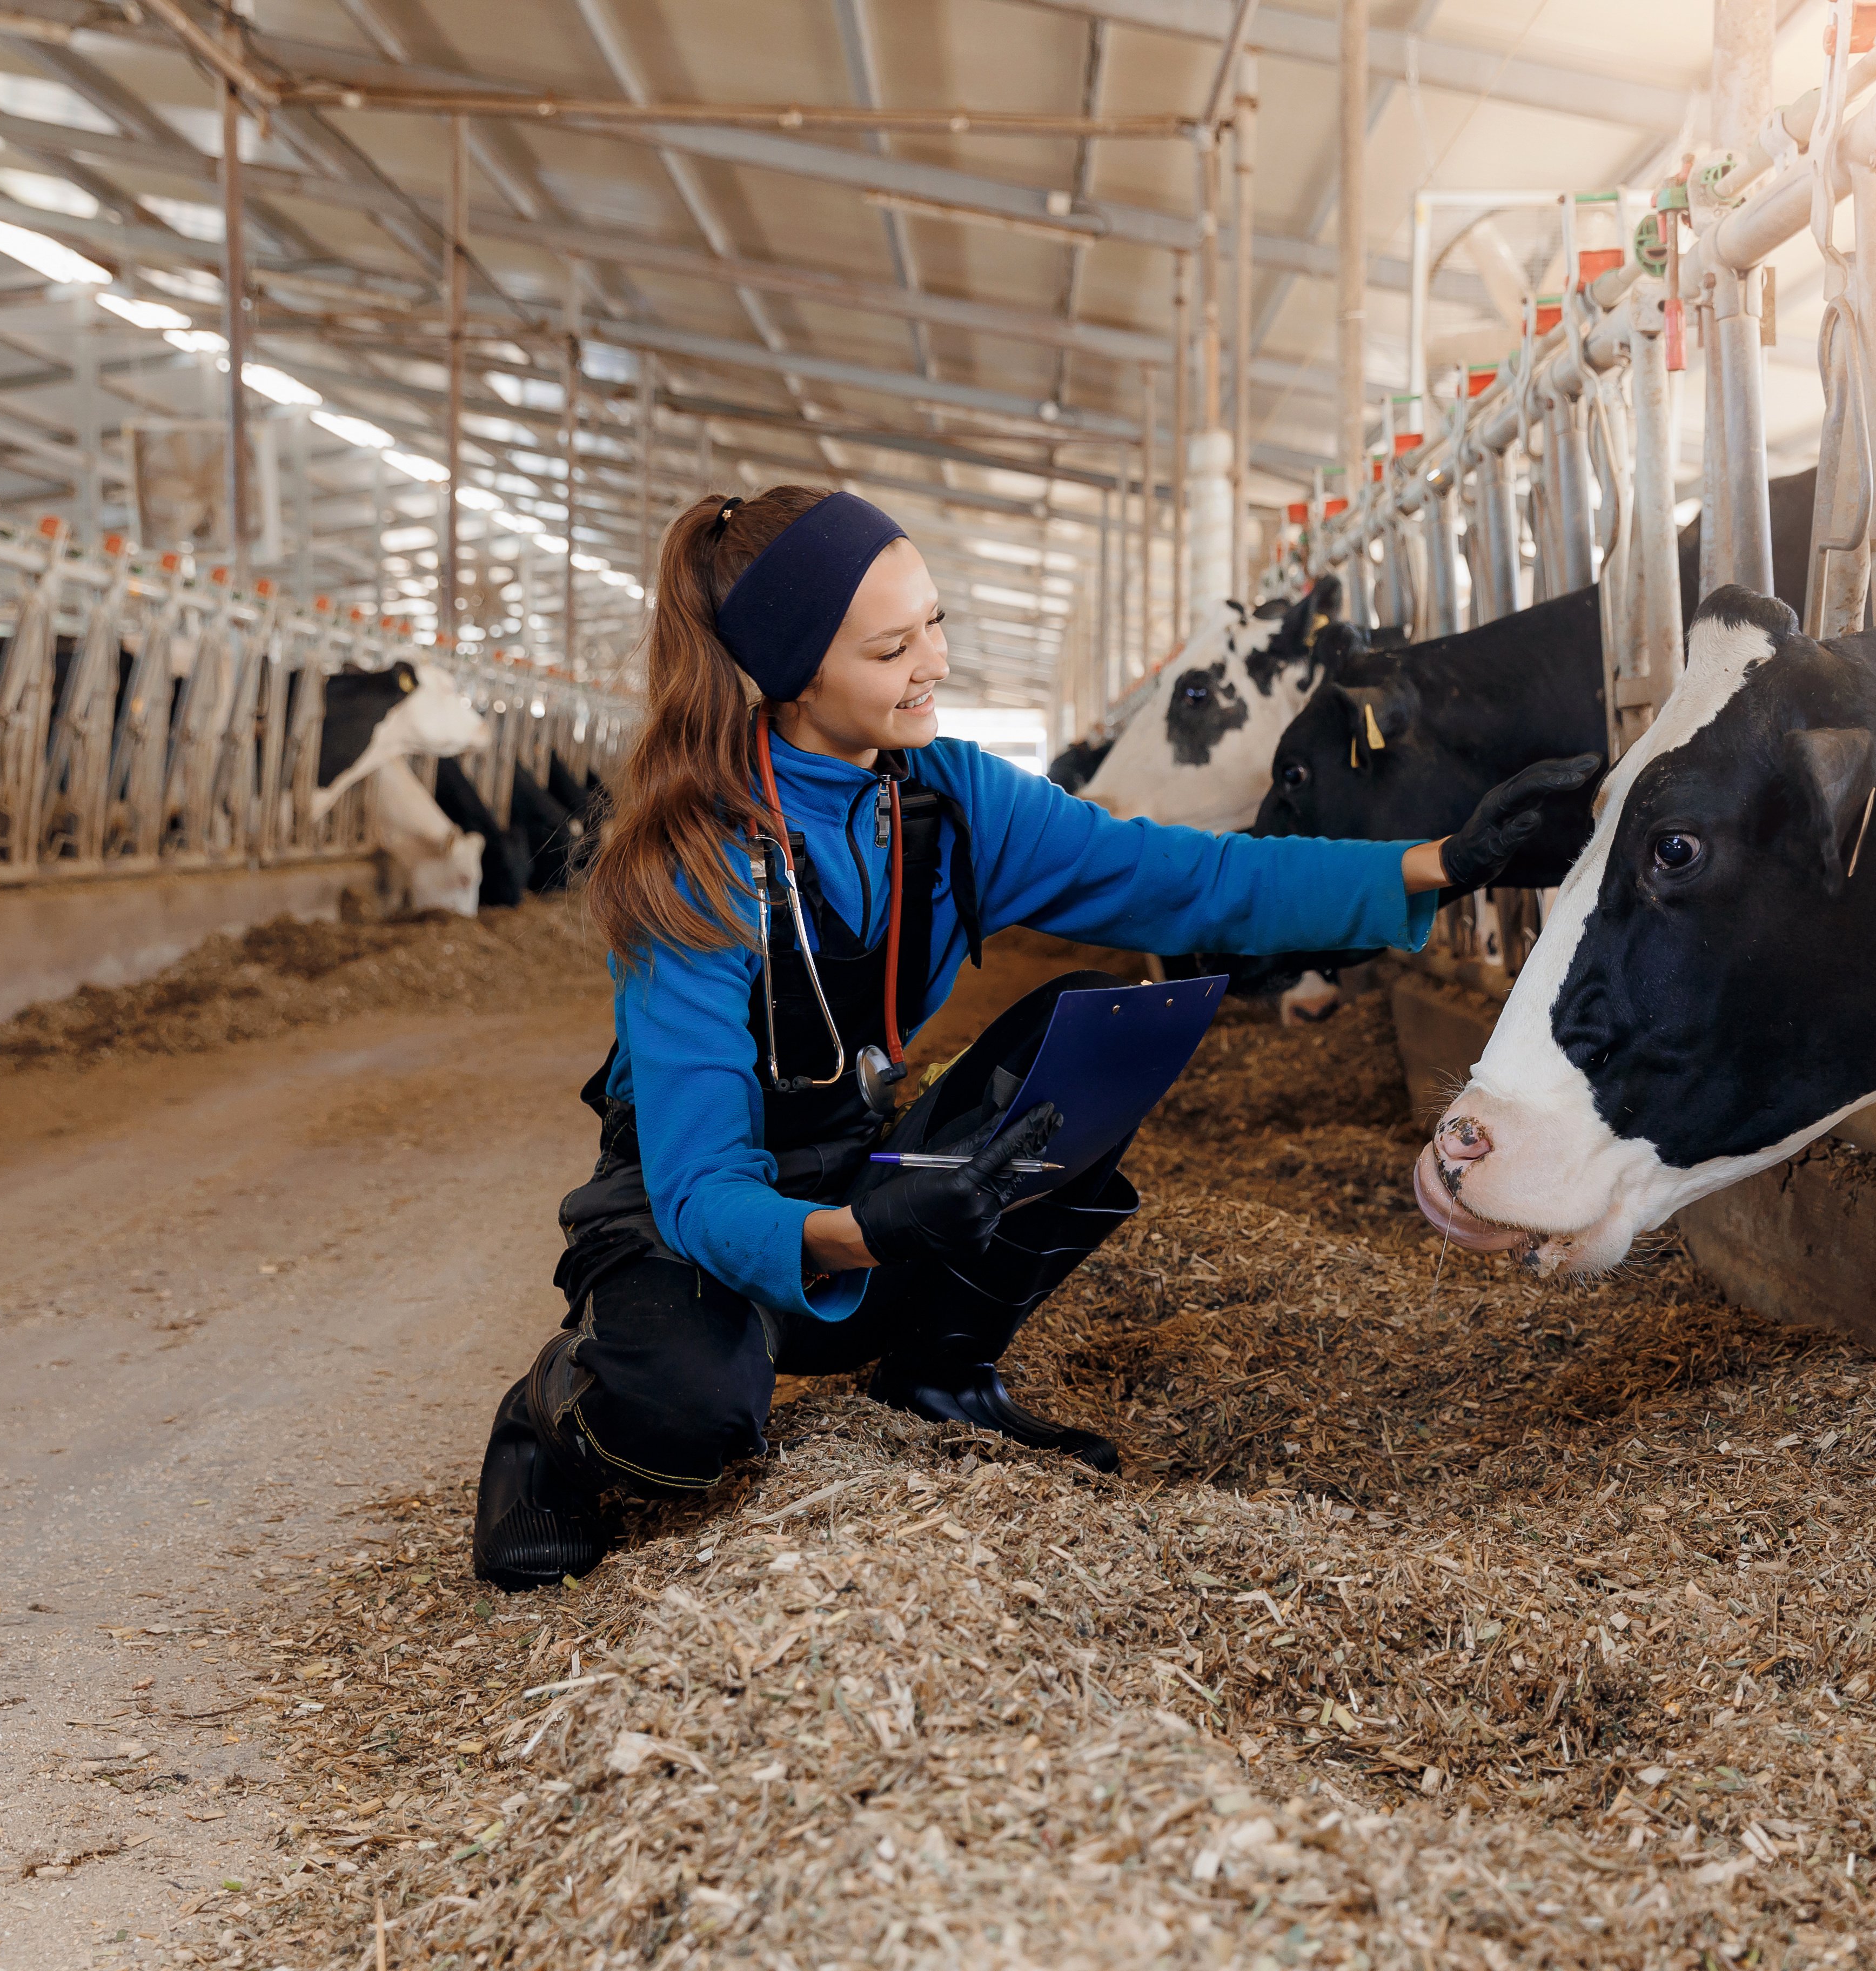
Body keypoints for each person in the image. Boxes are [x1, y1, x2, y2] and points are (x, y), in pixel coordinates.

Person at [472, 486, 1599, 1590]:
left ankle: (941, 1376)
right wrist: (866, 1232)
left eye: (935, 624)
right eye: (891, 649)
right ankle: (543, 1427)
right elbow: (701, 1190)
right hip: (689, 1218)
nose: (935, 663)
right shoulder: (691, 868)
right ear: (791, 675)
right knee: (687, 1418)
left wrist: (1437, 863)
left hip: (854, 1160)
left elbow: (1188, 880)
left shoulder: (949, 800)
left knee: (1091, 1035)